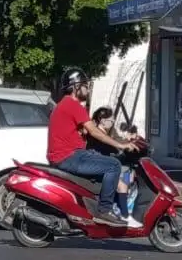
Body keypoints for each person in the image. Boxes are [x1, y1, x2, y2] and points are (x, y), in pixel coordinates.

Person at [46, 69, 138, 227]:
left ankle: (104, 209)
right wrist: (121, 145)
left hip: (67, 156)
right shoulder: (73, 105)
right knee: (113, 165)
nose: (87, 89)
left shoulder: (64, 105)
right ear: (76, 87)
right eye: (85, 86)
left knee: (105, 168)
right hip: (69, 157)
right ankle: (104, 210)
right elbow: (95, 131)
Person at [89, 107, 140, 225]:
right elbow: (113, 146)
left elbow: (118, 140)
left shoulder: (108, 132)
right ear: (102, 120)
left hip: (108, 165)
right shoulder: (98, 134)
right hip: (99, 167)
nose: (112, 123)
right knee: (122, 185)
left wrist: (128, 142)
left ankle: (119, 206)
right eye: (111, 121)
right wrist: (121, 147)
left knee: (128, 177)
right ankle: (125, 216)